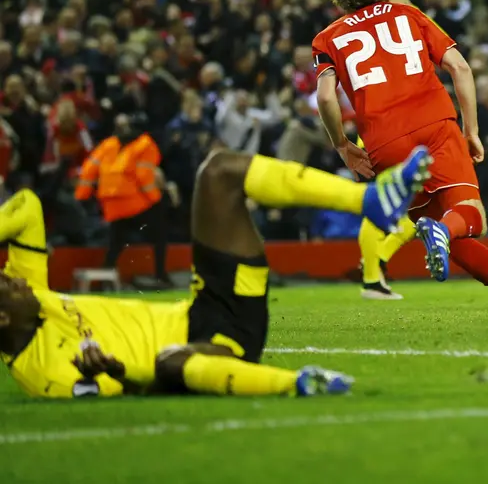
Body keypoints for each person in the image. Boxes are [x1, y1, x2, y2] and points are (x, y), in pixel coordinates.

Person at [0, 147, 431, 398]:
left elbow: (26, 207)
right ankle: (300, 384)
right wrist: (109, 372)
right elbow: (106, 391)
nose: (17, 279)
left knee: (219, 172)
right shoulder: (41, 373)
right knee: (168, 363)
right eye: (7, 283)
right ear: (2, 318)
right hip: (215, 348)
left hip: (207, 303)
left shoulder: (32, 294)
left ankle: (371, 200)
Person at [313, 0, 488, 326]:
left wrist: (343, 145)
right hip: (434, 125)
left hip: (384, 142)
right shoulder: (411, 16)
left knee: (444, 227)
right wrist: (470, 129)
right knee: (470, 218)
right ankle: (445, 235)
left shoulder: (327, 37)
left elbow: (327, 98)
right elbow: (460, 67)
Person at [75, 114, 170, 287]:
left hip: (110, 203)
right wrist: (156, 199)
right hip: (133, 201)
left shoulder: (108, 144)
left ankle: (105, 276)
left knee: (116, 241)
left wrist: (82, 196)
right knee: (160, 233)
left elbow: (88, 169)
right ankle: (161, 275)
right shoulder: (146, 144)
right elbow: (143, 176)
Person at [0, 189, 48, 290]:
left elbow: (5, 227)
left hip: (30, 286)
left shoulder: (28, 202)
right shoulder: (16, 203)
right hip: (15, 278)